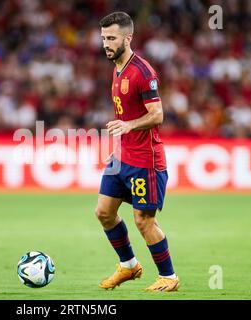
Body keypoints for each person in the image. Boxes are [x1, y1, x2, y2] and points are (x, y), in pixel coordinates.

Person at [96, 11, 179, 292]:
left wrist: (129, 127)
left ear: (127, 38)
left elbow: (157, 115)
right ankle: (129, 266)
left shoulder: (143, 72)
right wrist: (119, 145)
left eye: (112, 38)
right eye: (104, 38)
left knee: (144, 221)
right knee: (104, 212)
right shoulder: (117, 67)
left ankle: (168, 277)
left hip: (146, 160)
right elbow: (125, 115)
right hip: (122, 158)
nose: (106, 43)